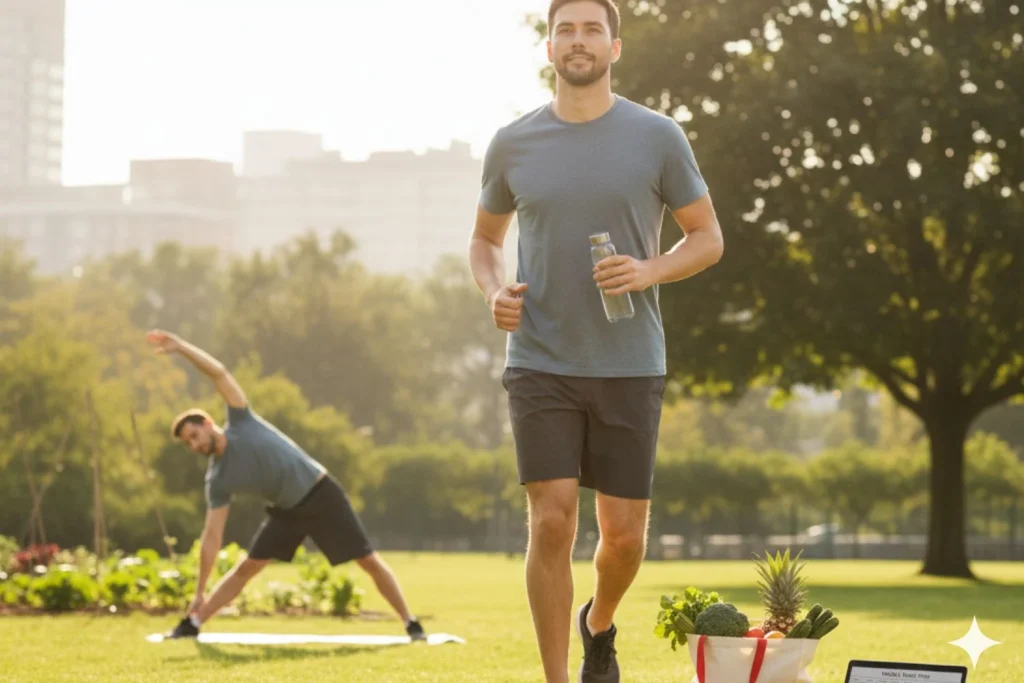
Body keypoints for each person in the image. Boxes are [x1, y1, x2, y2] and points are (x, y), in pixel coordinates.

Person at [468, 0, 724, 681]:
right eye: (565, 30)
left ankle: (599, 620)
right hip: (540, 360)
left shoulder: (658, 136)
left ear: (615, 48)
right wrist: (493, 291)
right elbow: (484, 242)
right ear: (549, 49)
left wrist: (648, 269)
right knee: (551, 520)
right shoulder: (512, 143)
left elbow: (708, 237)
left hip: (630, 362)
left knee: (624, 538)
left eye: (591, 30)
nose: (577, 41)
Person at [145, 329, 426, 642]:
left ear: (208, 423)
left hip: (322, 495)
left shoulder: (241, 421)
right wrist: (199, 590)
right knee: (247, 567)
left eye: (194, 436)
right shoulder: (218, 478)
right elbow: (211, 537)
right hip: (286, 511)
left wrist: (182, 348)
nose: (194, 445)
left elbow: (219, 373)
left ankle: (411, 623)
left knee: (367, 560)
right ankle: (193, 623)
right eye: (188, 444)